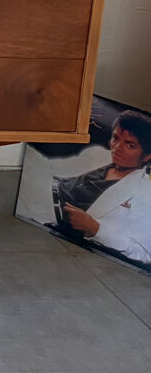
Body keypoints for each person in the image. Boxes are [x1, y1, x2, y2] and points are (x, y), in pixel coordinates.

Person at [58, 109, 151, 264]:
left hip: (87, 255)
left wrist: (96, 229)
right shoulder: (95, 157)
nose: (117, 147)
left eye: (130, 145)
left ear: (148, 155)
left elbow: (144, 254)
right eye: (115, 138)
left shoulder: (145, 194)